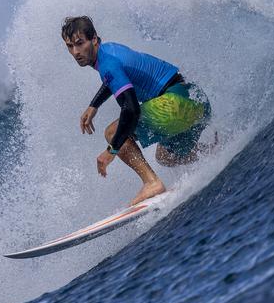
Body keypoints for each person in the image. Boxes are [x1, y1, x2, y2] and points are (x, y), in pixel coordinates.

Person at [61, 16, 211, 205]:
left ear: (94, 39)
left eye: (79, 43)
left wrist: (111, 151)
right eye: (69, 46)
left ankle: (151, 182)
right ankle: (213, 152)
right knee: (165, 157)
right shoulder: (109, 51)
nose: (75, 52)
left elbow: (131, 110)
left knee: (113, 132)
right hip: (196, 102)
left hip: (177, 104)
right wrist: (94, 105)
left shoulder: (108, 64)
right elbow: (115, 79)